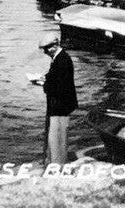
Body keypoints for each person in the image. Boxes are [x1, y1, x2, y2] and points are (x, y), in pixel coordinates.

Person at [30, 31, 77, 165]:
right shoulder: (59, 58)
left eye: (47, 49)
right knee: (54, 137)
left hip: (60, 106)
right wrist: (46, 78)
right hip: (58, 105)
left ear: (55, 45)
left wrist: (44, 84)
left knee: (57, 138)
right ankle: (52, 161)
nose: (45, 52)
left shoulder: (62, 60)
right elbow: (56, 77)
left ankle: (57, 165)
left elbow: (60, 86)